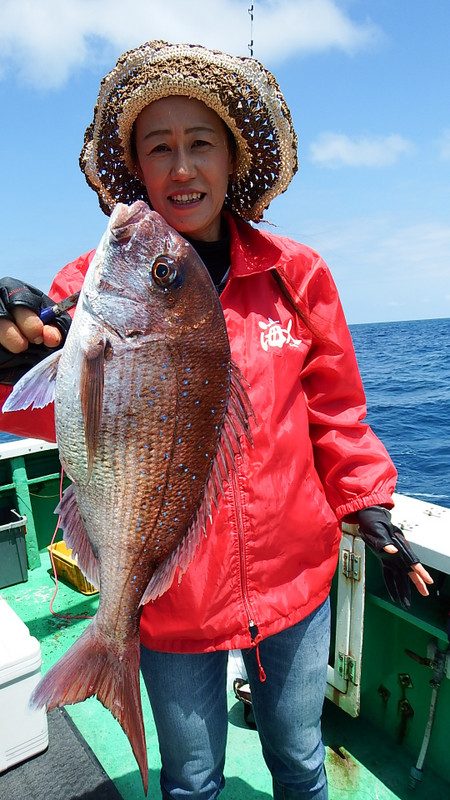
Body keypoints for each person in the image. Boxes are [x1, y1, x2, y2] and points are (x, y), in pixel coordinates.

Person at [0, 41, 433, 800]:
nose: (181, 167)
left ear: (232, 160)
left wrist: (368, 504)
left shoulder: (296, 275)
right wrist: (8, 354)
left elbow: (336, 412)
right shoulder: (87, 290)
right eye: (158, 147)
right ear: (135, 166)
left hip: (295, 585)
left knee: (300, 760)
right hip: (169, 599)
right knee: (193, 778)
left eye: (200, 144)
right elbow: (47, 414)